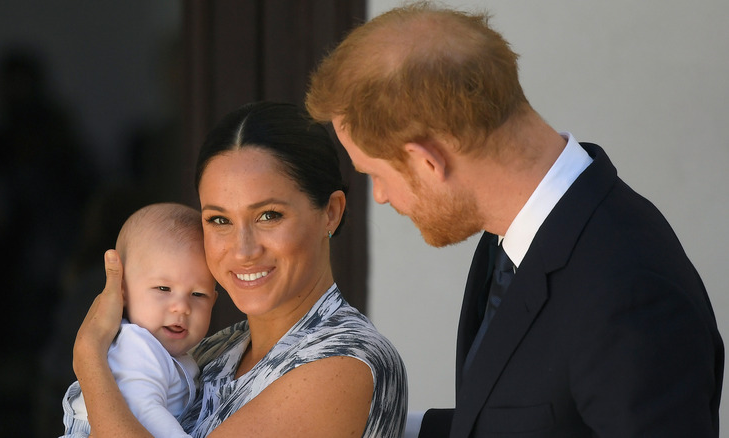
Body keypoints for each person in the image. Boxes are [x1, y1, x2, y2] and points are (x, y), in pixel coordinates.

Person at [305, 2, 723, 437]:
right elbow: (532, 421)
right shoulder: (517, 235)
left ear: (427, 162)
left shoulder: (630, 291)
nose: (382, 196)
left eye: (375, 174)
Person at [71, 101, 408, 437]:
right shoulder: (215, 349)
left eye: (269, 215)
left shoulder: (343, 361)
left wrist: (89, 355)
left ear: (331, 212)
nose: (244, 250)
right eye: (220, 220)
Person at [61, 202, 217, 437]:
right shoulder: (136, 346)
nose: (182, 307)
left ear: (214, 300)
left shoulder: (170, 352)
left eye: (198, 294)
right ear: (122, 291)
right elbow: (143, 412)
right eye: (163, 288)